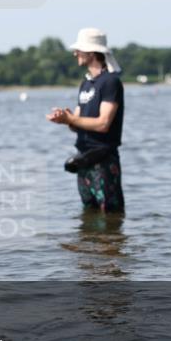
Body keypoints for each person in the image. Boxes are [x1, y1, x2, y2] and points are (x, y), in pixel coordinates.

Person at [47, 28, 125, 214]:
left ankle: (112, 243)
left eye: (78, 50)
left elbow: (103, 123)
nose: (75, 54)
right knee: (89, 214)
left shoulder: (110, 82)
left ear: (91, 52)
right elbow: (77, 124)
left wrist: (72, 118)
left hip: (104, 159)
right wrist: (65, 120)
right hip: (84, 158)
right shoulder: (86, 83)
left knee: (110, 215)